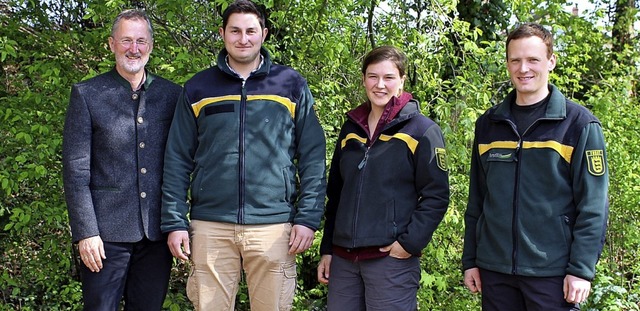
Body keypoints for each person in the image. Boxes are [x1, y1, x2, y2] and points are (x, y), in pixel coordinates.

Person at [160, 0, 326, 310]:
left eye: (251, 31)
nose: (243, 38)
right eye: (235, 31)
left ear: (263, 34)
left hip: (273, 227)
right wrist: (174, 221)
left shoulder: (290, 85)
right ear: (223, 33)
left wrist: (308, 218)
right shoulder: (198, 88)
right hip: (210, 226)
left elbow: (313, 156)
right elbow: (177, 158)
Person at [462, 23, 609, 310]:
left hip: (553, 273)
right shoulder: (489, 125)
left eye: (533, 60)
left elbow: (593, 205)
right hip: (495, 270)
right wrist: (471, 260)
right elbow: (477, 200)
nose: (523, 68)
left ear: (551, 61)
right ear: (507, 63)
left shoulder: (579, 124)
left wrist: (581, 269)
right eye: (515, 60)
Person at [62, 9, 181, 311]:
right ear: (112, 44)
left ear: (151, 46)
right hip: (104, 237)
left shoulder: (172, 96)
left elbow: (181, 164)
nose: (134, 48)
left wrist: (178, 221)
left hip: (155, 235)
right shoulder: (87, 94)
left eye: (141, 41)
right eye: (126, 40)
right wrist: (86, 232)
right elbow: (76, 172)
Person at [316, 46, 450, 310]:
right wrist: (328, 248)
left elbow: (437, 195)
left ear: (402, 80)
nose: (380, 85)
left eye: (388, 77)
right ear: (364, 79)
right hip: (343, 260)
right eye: (372, 76)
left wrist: (408, 244)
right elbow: (337, 194)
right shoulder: (351, 129)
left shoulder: (422, 131)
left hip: (390, 259)